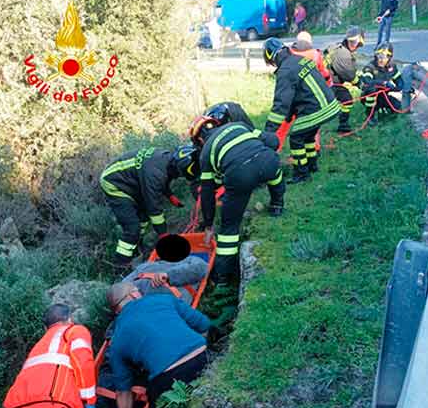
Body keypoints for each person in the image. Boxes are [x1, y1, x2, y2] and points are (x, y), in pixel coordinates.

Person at [105, 282, 211, 408]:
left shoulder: (116, 340)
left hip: (167, 377)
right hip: (202, 356)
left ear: (117, 311)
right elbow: (204, 324)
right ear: (133, 294)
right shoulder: (163, 299)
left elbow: (123, 392)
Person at [190, 102, 285, 282]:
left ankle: (223, 277)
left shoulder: (206, 153)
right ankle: (277, 205)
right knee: (275, 174)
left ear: (200, 140)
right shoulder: (239, 126)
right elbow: (273, 141)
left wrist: (209, 225)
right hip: (267, 162)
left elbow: (208, 193)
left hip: (240, 178)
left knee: (229, 228)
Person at [100, 145, 200, 269]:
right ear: (179, 168)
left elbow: (163, 179)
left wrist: (169, 195)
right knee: (132, 227)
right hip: (114, 183)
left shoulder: (166, 158)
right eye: (180, 175)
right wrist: (164, 236)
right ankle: (121, 265)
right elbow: (154, 210)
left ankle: (136, 246)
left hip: (132, 180)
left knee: (143, 218)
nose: (179, 177)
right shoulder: (155, 173)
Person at [264, 37, 338, 181]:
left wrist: (268, 132)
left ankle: (302, 174)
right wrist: (290, 114)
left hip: (317, 109)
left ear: (271, 57)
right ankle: (312, 165)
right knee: (308, 136)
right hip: (330, 104)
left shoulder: (285, 71)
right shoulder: (298, 59)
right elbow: (294, 95)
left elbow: (281, 104)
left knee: (296, 138)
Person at [122, 233, 208, 304]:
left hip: (164, 301)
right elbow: (123, 285)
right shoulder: (147, 265)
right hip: (135, 297)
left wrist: (168, 275)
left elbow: (201, 268)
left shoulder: (191, 261)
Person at [324, 26, 364, 133]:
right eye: (353, 42)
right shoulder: (343, 54)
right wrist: (360, 83)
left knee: (345, 98)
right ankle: (343, 126)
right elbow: (349, 75)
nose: (355, 46)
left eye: (356, 43)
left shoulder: (340, 49)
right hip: (327, 84)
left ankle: (341, 124)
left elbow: (348, 70)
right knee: (346, 99)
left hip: (329, 82)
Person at [359, 42, 403, 125]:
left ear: (390, 57)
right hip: (369, 96)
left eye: (385, 57)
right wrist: (384, 83)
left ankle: (383, 110)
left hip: (383, 95)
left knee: (397, 106)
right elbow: (367, 81)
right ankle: (370, 116)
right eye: (379, 56)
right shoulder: (370, 67)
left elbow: (398, 79)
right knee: (371, 90)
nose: (381, 59)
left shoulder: (392, 67)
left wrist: (400, 86)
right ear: (376, 55)